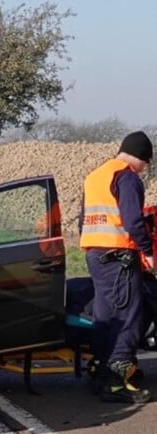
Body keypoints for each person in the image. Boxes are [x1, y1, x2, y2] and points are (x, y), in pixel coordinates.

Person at [80, 131, 154, 403]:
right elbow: (134, 221)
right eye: (146, 163)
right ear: (141, 157)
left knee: (105, 315)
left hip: (95, 254)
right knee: (128, 317)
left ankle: (101, 373)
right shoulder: (127, 176)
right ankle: (116, 380)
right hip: (119, 256)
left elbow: (83, 221)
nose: (144, 169)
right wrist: (147, 250)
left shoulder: (96, 175)